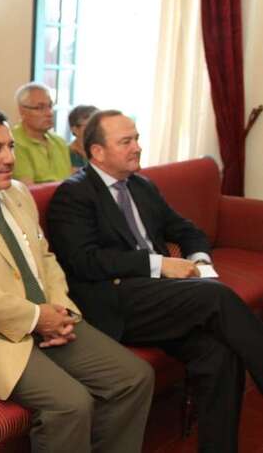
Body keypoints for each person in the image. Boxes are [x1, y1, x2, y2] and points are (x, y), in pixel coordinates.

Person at [0, 105, 154, 452]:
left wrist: (61, 311)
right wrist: (37, 317)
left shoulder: (17, 193)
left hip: (51, 318)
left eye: (10, 146)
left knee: (134, 377)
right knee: (72, 404)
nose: (9, 158)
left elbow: (46, 259)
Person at [47, 110, 263, 452]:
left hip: (161, 299)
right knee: (216, 297)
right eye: (126, 142)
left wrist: (199, 261)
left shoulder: (141, 185)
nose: (137, 147)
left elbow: (186, 230)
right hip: (116, 302)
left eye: (136, 138)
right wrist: (159, 264)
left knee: (219, 353)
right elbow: (84, 261)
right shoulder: (74, 195)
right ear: (97, 152)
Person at [10, 82, 71, 185]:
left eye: (50, 106)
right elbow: (28, 189)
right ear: (22, 111)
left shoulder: (60, 142)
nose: (49, 113)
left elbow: (70, 182)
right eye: (40, 108)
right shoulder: (12, 142)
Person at [67, 105, 98, 170]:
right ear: (75, 129)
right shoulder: (65, 154)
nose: (96, 129)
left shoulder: (102, 151)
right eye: (90, 125)